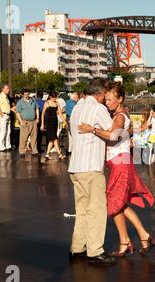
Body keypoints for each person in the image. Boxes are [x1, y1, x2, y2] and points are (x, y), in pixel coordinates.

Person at [79, 83, 155, 257]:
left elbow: (113, 136)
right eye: (105, 99)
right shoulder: (120, 115)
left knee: (113, 204)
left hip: (121, 164)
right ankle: (141, 236)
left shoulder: (120, 116)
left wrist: (93, 129)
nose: (106, 102)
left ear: (120, 99)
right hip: (120, 163)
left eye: (110, 99)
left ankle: (127, 240)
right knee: (120, 204)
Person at [68, 78, 116, 265]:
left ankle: (77, 247)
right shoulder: (98, 108)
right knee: (96, 210)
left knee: (82, 210)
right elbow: (112, 133)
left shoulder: (77, 108)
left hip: (76, 166)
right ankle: (95, 250)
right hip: (91, 166)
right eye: (105, 95)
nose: (106, 98)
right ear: (100, 93)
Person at [41, 92, 65, 160]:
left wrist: (64, 121)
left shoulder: (57, 103)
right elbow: (42, 114)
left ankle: (47, 154)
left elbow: (60, 113)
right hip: (49, 122)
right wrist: (42, 124)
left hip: (55, 122)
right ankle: (59, 154)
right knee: (54, 138)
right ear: (50, 97)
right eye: (54, 97)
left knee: (52, 139)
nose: (55, 98)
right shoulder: (47, 103)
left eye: (56, 97)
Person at [16, 88, 40, 158]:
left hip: (33, 121)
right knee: (24, 138)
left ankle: (34, 151)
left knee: (34, 137)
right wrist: (21, 121)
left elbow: (37, 109)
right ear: (22, 94)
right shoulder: (20, 102)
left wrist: (38, 118)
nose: (27, 95)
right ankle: (22, 152)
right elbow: (18, 112)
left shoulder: (33, 100)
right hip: (25, 121)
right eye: (25, 94)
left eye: (28, 94)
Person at [0, 85, 12, 152]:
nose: (9, 89)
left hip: (7, 115)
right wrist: (2, 116)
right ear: (3, 89)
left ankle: (8, 145)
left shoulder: (6, 97)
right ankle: (2, 147)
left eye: (8, 88)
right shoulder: (0, 96)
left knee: (8, 131)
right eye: (7, 88)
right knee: (3, 131)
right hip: (3, 115)